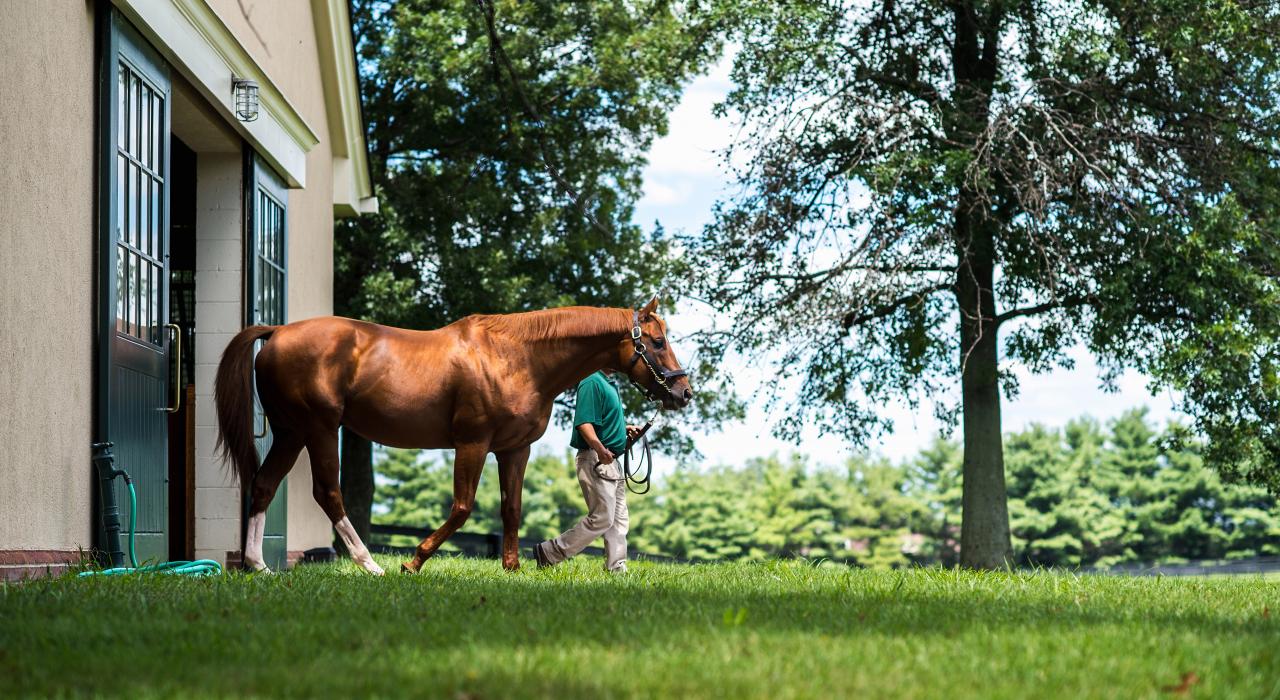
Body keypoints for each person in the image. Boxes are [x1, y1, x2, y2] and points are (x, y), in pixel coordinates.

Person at [534, 369, 639, 572]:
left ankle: (616, 568)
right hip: (596, 458)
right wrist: (600, 449)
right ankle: (549, 552)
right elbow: (584, 423)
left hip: (611, 461)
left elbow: (601, 421)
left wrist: (622, 429)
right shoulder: (591, 380)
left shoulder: (608, 383)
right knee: (602, 518)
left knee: (619, 520)